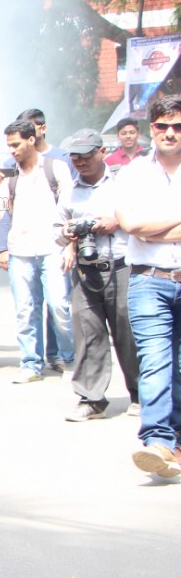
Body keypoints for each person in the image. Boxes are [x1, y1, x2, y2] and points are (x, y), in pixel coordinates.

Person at [114, 95, 181, 478]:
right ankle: (157, 441)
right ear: (150, 128)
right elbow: (132, 225)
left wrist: (154, 225)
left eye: (178, 126)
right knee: (156, 361)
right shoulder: (133, 173)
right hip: (148, 281)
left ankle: (176, 446)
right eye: (162, 125)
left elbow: (144, 224)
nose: (170, 133)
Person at [57, 129, 139, 422]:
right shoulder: (69, 190)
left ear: (102, 152)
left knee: (129, 334)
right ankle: (91, 399)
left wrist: (117, 221)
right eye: (75, 156)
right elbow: (58, 228)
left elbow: (143, 218)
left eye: (86, 154)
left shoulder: (123, 183)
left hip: (122, 266)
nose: (80, 161)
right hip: (84, 270)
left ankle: (140, 394)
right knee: (88, 335)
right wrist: (67, 234)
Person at [0, 119, 75, 384]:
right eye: (9, 146)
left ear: (31, 140)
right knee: (26, 310)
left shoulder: (56, 168)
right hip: (21, 251)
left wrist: (70, 245)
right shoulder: (9, 174)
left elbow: (71, 211)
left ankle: (69, 359)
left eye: (16, 144)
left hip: (52, 248)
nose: (12, 150)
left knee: (59, 306)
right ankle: (30, 363)